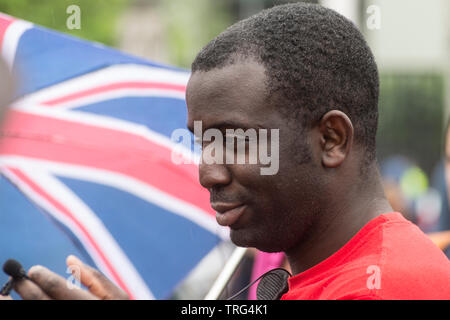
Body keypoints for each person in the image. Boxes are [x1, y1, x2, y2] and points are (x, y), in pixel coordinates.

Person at [4, 2, 450, 300]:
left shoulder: (385, 286)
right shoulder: (303, 278)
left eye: (234, 140)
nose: (207, 173)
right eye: (201, 142)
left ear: (331, 139)